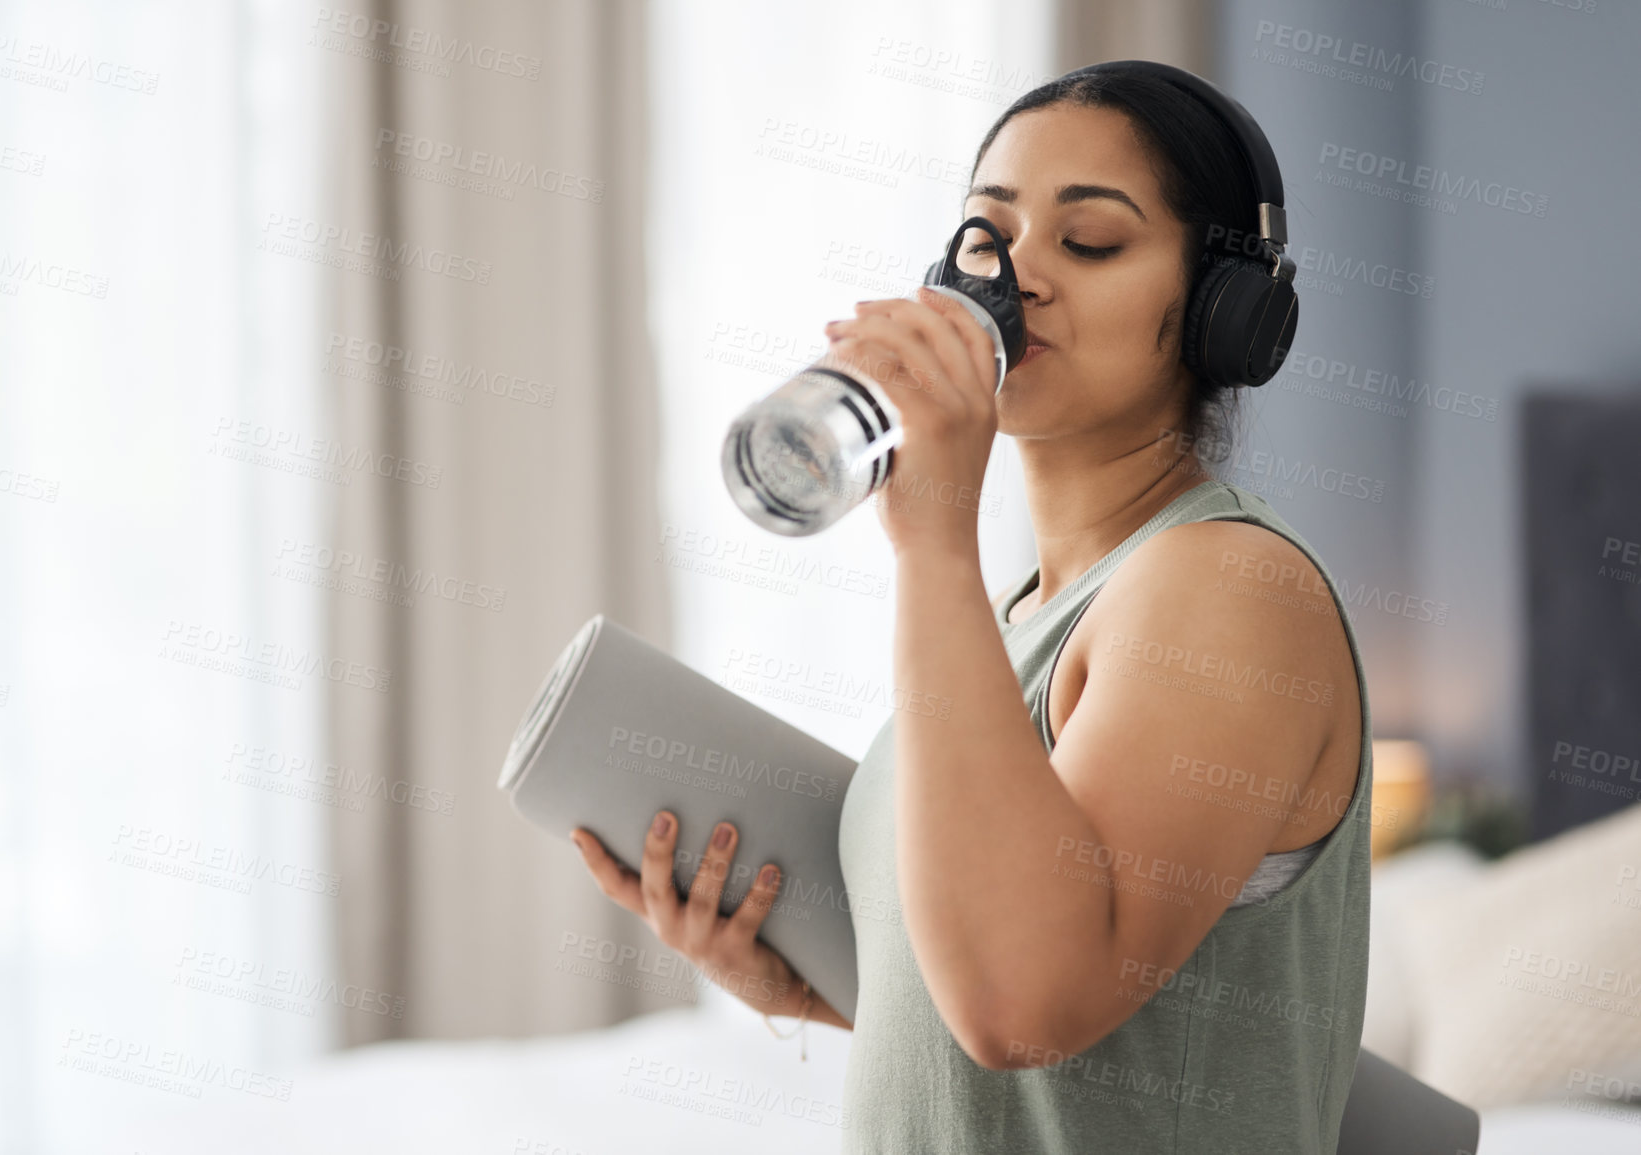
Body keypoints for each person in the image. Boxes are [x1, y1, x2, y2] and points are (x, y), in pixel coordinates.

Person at [571, 60, 1372, 1153]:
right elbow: (1026, 1006)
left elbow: (1024, 1009)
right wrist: (801, 980)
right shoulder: (1020, 613)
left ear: (1225, 313)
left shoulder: (1232, 588)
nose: (1018, 277)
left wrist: (934, 535)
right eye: (987, 239)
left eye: (1090, 242)